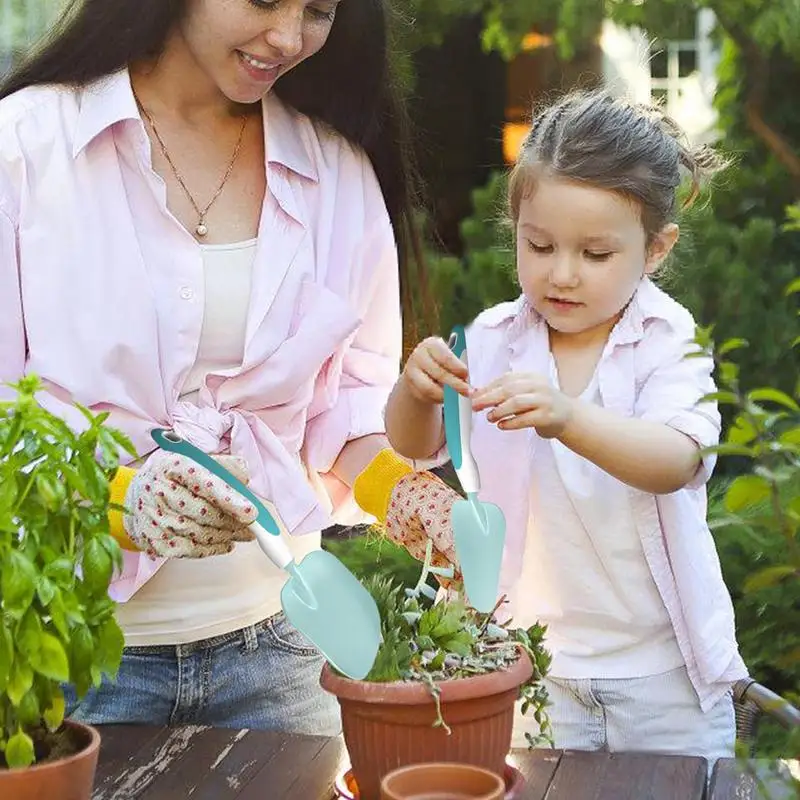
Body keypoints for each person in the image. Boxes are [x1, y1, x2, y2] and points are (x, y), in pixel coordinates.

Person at [0, 0, 439, 734]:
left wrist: (410, 497)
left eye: (319, 11)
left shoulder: (335, 170)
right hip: (72, 663)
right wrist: (117, 500)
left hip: (283, 652)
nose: (289, 38)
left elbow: (348, 413)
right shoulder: (26, 147)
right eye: (266, 0)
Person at [375, 89, 748, 762]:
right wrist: (416, 390)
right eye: (539, 245)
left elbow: (679, 460)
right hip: (526, 661)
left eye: (597, 254)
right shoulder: (493, 337)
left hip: (660, 673)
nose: (563, 274)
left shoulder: (665, 339)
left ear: (656, 249)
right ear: (515, 223)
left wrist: (569, 417)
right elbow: (416, 445)